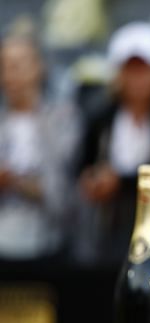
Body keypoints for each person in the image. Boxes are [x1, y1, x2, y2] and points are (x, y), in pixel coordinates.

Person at [73, 21, 150, 264]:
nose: (137, 79)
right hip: (108, 223)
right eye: (130, 70)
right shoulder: (102, 114)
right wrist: (91, 180)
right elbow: (82, 163)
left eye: (145, 69)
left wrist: (122, 181)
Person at [0, 23, 80, 262]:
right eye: (6, 66)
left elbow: (61, 186)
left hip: (50, 242)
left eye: (19, 65)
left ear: (39, 67)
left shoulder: (63, 118)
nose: (12, 74)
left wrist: (15, 181)